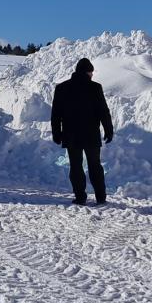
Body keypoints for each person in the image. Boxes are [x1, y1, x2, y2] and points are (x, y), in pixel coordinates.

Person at [50, 58, 114, 205]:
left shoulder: (62, 88)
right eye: (91, 72)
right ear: (87, 72)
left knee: (76, 166)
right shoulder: (95, 87)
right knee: (95, 165)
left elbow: (56, 114)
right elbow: (103, 111)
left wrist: (56, 133)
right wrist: (108, 130)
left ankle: (80, 197)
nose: (92, 75)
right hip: (91, 134)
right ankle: (101, 197)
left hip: (71, 135)